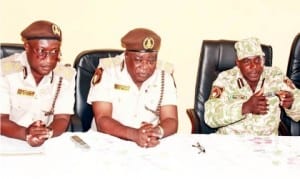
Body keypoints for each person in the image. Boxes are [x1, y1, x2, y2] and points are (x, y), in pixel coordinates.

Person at [87, 28, 178, 148]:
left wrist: (156, 132)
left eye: (151, 61)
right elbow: (102, 119)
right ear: (126, 56)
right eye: (139, 60)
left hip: (148, 143)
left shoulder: (164, 76)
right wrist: (134, 134)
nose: (145, 67)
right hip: (108, 142)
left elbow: (171, 119)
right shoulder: (108, 72)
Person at [0, 20, 76, 147]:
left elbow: (62, 118)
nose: (49, 60)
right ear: (27, 47)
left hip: (46, 142)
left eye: (54, 52)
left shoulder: (65, 75)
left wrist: (48, 133)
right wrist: (26, 133)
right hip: (8, 141)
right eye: (42, 51)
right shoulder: (4, 71)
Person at [204, 37, 300, 135]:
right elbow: (210, 117)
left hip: (267, 144)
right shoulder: (225, 79)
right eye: (246, 61)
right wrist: (244, 107)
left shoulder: (276, 76)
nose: (253, 66)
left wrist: (291, 105)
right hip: (231, 144)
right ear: (238, 63)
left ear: (263, 60)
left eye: (257, 60)